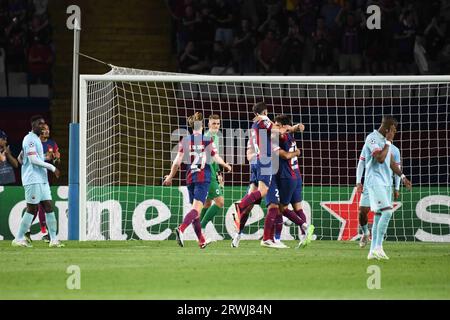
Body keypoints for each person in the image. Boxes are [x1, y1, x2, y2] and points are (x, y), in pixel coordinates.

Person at [233, 102, 302, 248]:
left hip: (256, 163)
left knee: (253, 202)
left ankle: (238, 235)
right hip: (264, 161)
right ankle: (241, 207)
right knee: (267, 198)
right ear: (264, 112)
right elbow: (278, 131)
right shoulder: (264, 121)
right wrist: (293, 127)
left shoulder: (254, 126)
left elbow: (249, 153)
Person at [163, 112, 231, 249]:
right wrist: (225, 165)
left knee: (196, 211)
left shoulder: (185, 140)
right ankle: (181, 229)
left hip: (190, 178)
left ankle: (201, 240)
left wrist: (170, 177)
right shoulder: (207, 140)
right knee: (196, 210)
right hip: (203, 177)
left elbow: (176, 162)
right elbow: (216, 157)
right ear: (202, 126)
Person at [362, 116, 412, 260]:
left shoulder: (385, 143)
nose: (394, 134)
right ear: (387, 128)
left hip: (385, 184)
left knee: (379, 216)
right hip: (374, 181)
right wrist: (389, 141)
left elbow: (390, 163)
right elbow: (380, 158)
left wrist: (403, 177)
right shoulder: (372, 138)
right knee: (388, 212)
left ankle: (373, 251)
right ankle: (378, 246)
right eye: (394, 131)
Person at [11, 115, 63, 248]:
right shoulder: (30, 140)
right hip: (33, 179)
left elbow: (29, 158)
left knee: (49, 207)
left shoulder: (36, 140)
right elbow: (33, 160)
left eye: (44, 124)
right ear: (33, 126)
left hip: (42, 179)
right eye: (40, 124)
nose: (42, 127)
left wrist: (48, 157)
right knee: (32, 209)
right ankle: (18, 238)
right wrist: (52, 167)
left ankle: (53, 239)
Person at [271, 115, 314, 248]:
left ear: (284, 127)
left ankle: (277, 238)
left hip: (286, 176)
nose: (275, 127)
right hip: (296, 175)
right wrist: (296, 127)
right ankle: (305, 236)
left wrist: (295, 153)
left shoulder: (282, 137)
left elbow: (284, 155)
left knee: (281, 208)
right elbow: (291, 129)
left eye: (278, 125)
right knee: (298, 208)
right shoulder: (290, 136)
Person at [356, 139, 402, 248]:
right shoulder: (369, 145)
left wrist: (397, 188)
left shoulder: (395, 150)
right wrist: (358, 182)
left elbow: (397, 168)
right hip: (369, 182)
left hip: (385, 185)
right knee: (363, 211)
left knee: (381, 213)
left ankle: (376, 245)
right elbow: (361, 162)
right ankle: (366, 232)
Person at [25, 123, 60, 243]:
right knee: (35, 207)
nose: (46, 131)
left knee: (46, 206)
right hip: (34, 178)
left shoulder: (51, 143)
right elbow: (27, 158)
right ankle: (26, 232)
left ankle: (48, 235)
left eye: (48, 129)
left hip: (45, 178)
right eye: (44, 129)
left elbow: (57, 159)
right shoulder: (33, 142)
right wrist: (46, 158)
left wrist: (55, 158)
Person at [200, 115, 225, 235]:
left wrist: (218, 172)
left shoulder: (216, 137)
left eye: (218, 124)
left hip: (212, 172)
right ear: (208, 124)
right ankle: (201, 228)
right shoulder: (206, 137)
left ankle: (199, 232)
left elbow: (215, 158)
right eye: (213, 123)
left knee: (207, 203)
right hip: (207, 173)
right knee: (220, 202)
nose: (216, 126)